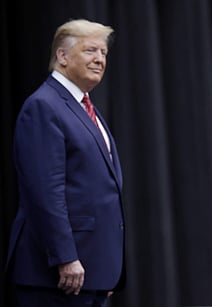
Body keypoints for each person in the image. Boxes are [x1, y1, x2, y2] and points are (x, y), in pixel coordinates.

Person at [5, 19, 125, 307]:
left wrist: (105, 266)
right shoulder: (44, 106)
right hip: (59, 276)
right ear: (62, 56)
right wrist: (65, 257)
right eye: (90, 51)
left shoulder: (83, 107)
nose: (100, 59)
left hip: (92, 273)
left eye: (104, 53)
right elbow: (45, 192)